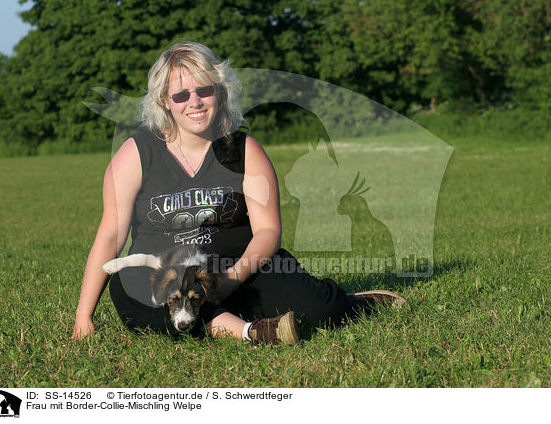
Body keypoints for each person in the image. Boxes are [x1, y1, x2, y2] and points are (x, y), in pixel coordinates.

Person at [72, 41, 404, 344]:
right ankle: (252, 331)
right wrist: (83, 316)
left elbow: (268, 230)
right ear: (165, 102)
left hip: (236, 268)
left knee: (320, 310)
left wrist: (231, 278)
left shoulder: (245, 150)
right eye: (181, 95)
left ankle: (350, 302)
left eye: (205, 89)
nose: (195, 102)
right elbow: (111, 236)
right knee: (142, 298)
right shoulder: (136, 153)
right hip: (163, 274)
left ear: (220, 90)